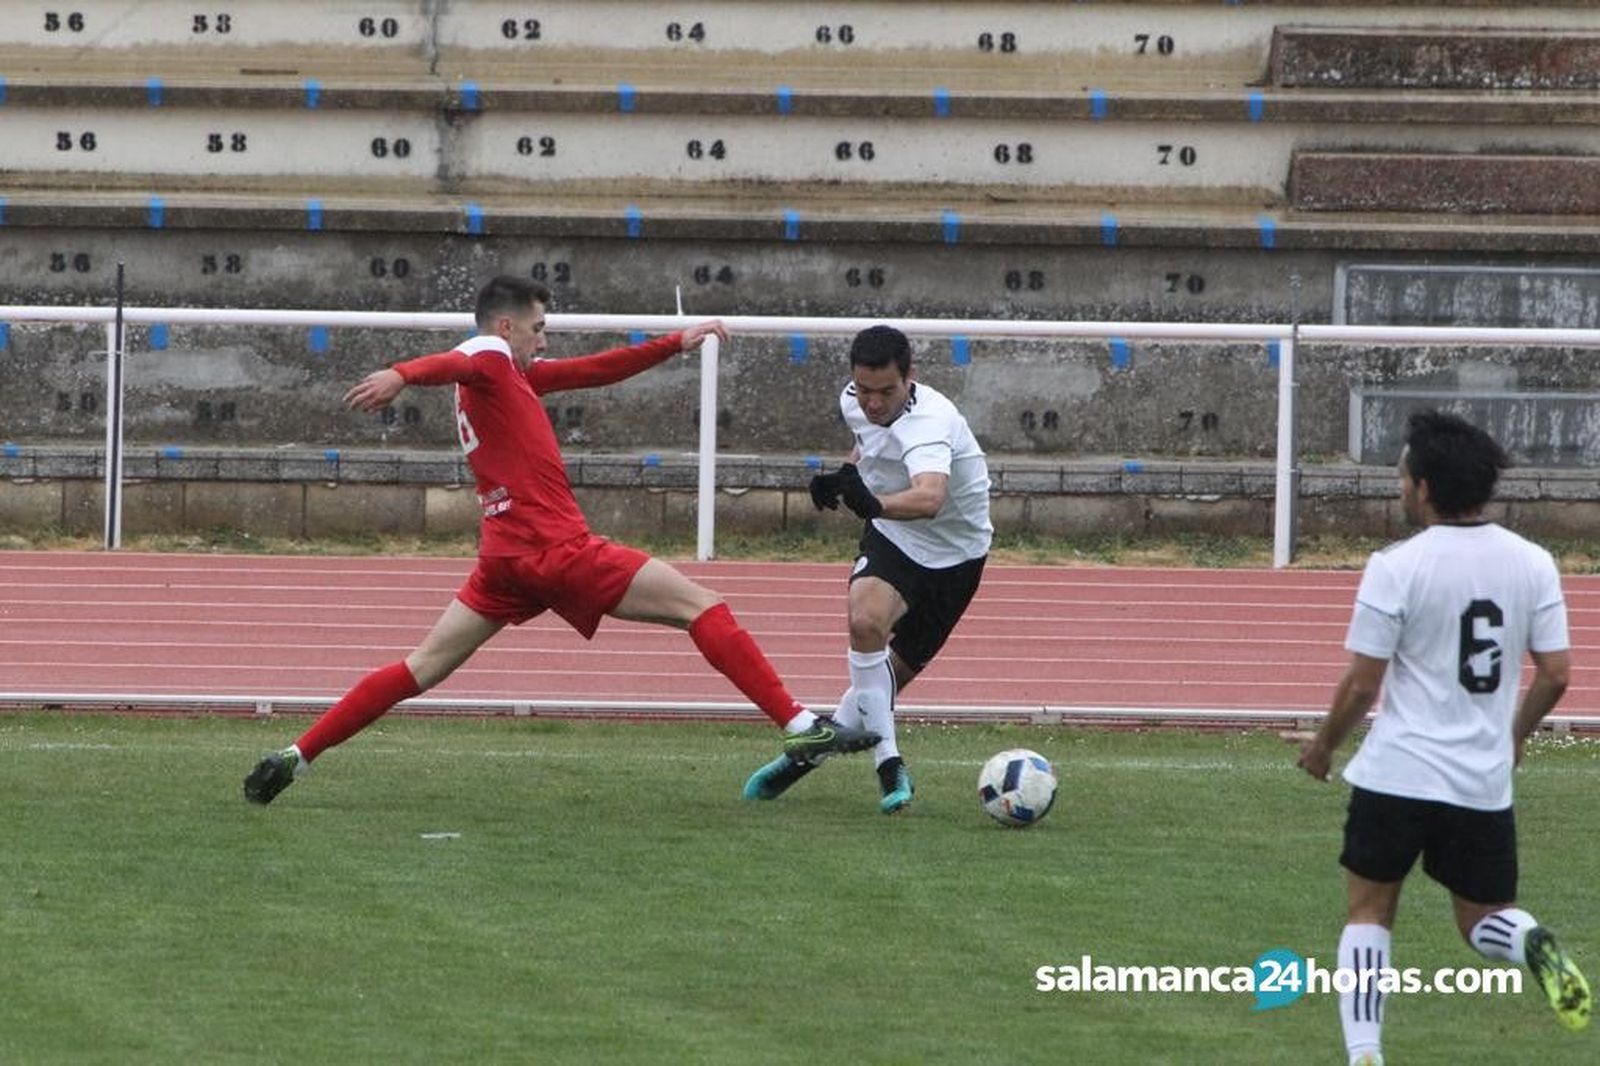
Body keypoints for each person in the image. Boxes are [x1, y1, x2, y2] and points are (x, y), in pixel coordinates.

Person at [244, 275, 877, 804]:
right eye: (538, 326)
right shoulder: (487, 357)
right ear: (506, 327)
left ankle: (296, 756)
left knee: (420, 668)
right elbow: (457, 359)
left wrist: (674, 343)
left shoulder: (506, 377)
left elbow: (593, 371)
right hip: (555, 549)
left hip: (504, 560)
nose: (544, 337)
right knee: (703, 606)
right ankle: (798, 724)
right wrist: (402, 373)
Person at [1294, 410, 1590, 1064]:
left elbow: (1364, 685)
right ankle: (1533, 941)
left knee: (1369, 913)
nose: (1399, 486)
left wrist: (1323, 746)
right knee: (1484, 921)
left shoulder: (1396, 566)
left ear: (1425, 487)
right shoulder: (1533, 563)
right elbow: (1559, 674)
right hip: (1480, 780)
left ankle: (1365, 1052)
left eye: (1403, 476)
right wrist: (1513, 736)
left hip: (1397, 773)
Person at [742, 324, 992, 813]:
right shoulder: (854, 401)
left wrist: (872, 500)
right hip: (895, 536)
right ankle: (889, 764)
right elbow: (868, 445)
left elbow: (930, 496)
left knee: (885, 680)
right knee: (864, 621)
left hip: (957, 555)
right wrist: (845, 475)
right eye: (864, 390)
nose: (873, 403)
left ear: (910, 378)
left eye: (886, 392)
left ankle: (805, 759)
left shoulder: (931, 422)